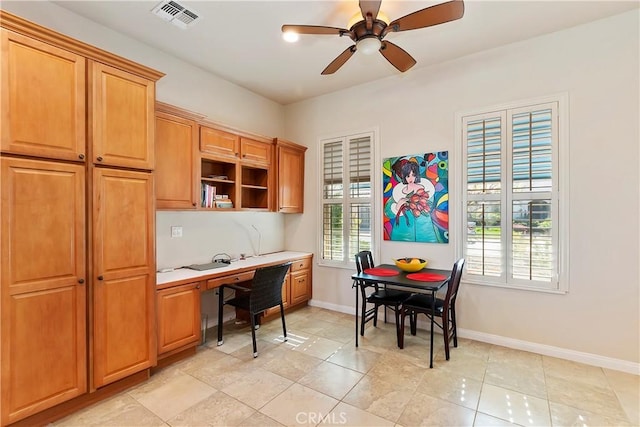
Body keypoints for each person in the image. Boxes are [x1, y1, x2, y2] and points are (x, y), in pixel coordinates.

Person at [385, 157, 436, 242]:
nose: (411, 178)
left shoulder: (426, 189)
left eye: (413, 175)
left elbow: (430, 207)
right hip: (402, 233)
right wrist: (397, 206)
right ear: (403, 176)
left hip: (425, 231)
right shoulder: (398, 193)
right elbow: (388, 212)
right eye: (408, 175)